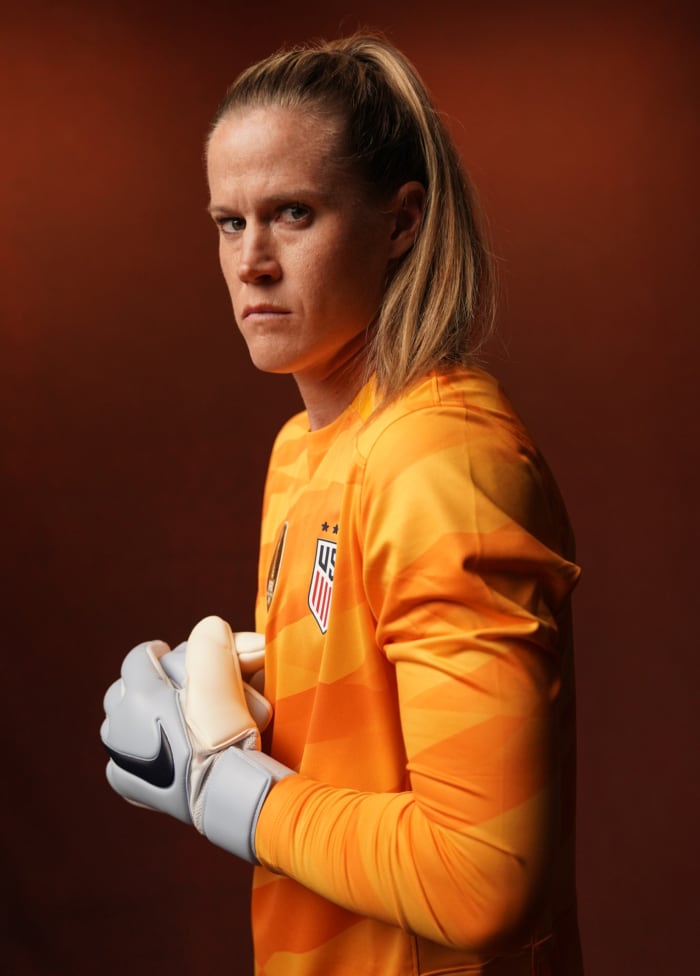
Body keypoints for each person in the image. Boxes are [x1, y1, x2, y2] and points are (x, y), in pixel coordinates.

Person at [101, 34, 583, 976]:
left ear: (400, 221)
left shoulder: (445, 460)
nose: (253, 263)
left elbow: (481, 879)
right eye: (229, 222)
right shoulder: (308, 447)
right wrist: (237, 705)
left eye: (293, 213)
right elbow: (373, 723)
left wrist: (221, 791)